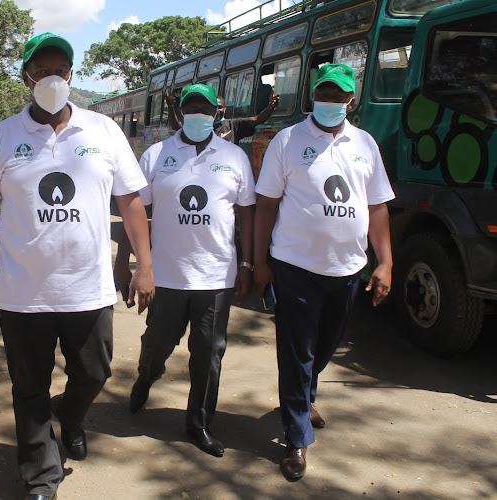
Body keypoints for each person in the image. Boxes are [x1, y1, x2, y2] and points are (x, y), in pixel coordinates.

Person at [0, 33, 155, 500]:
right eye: (40, 69)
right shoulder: (0, 137)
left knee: (94, 373)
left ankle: (69, 418)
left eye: (59, 68)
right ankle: (41, 477)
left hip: (87, 288)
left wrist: (145, 265)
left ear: (71, 74)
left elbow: (130, 202)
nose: (51, 77)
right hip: (22, 292)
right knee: (28, 387)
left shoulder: (103, 131)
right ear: (26, 76)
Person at [253, 63, 394, 481]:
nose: (330, 102)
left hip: (347, 269)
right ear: (312, 97)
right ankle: (295, 438)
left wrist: (385, 262)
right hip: (295, 266)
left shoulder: (365, 144)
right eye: (324, 94)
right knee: (297, 351)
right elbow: (265, 206)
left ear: (351, 100)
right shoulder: (288, 140)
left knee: (325, 345)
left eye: (338, 96)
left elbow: (377, 206)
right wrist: (260, 262)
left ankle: (304, 394)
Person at [115, 83, 255, 458]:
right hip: (166, 276)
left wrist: (247, 264)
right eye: (191, 108)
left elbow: (247, 213)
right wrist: (125, 262)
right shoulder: (157, 155)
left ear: (217, 115)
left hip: (216, 278)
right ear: (179, 114)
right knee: (157, 345)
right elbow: (136, 213)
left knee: (209, 354)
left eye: (205, 109)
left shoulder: (234, 157)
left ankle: (199, 423)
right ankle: (146, 377)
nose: (199, 115)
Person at [166, 88, 281, 144]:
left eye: (221, 107)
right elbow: (177, 127)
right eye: (215, 108)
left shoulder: (232, 125)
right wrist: (171, 108)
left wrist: (271, 107)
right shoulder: (199, 126)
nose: (218, 110)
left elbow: (257, 120)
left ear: (225, 109)